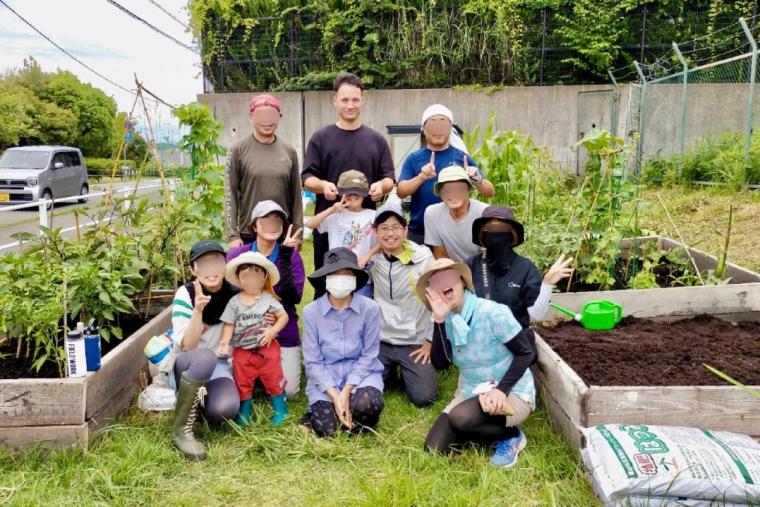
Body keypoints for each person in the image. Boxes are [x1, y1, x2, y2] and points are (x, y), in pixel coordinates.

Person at [418, 259, 536, 468]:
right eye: (436, 284)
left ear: (462, 282)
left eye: (449, 279)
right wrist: (438, 320)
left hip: (510, 389)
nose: (444, 288)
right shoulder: (446, 319)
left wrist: (501, 390)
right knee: (434, 448)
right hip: (472, 389)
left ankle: (511, 435)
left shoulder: (492, 312)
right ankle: (477, 428)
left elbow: (526, 353)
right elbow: (441, 364)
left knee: (460, 418)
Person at [301, 72, 396, 291]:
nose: (350, 105)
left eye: (355, 99)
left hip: (366, 229)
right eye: (344, 100)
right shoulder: (321, 138)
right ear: (334, 100)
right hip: (329, 226)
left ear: (362, 100)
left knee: (365, 287)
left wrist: (381, 186)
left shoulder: (376, 140)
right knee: (327, 286)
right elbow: (307, 178)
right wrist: (323, 185)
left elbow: (390, 178)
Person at [165, 240, 241, 460]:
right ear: (193, 269)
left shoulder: (234, 294)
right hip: (188, 362)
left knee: (225, 410)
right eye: (203, 264)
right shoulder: (186, 294)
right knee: (205, 356)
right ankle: (181, 431)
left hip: (219, 365)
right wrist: (198, 310)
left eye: (216, 262)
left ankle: (198, 404)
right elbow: (187, 345)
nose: (211, 269)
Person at [300, 247, 385, 437]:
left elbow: (369, 355)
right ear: (325, 278)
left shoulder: (370, 308)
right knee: (327, 431)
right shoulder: (311, 312)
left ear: (355, 277)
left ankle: (345, 412)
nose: (340, 278)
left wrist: (346, 391)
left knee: (366, 406)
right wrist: (335, 395)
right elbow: (313, 361)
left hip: (362, 375)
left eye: (346, 273)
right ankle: (318, 413)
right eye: (334, 273)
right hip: (326, 376)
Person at [227, 200, 305, 399]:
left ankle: (265, 375)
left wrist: (286, 259)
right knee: (235, 383)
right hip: (245, 330)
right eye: (266, 220)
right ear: (254, 225)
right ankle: (258, 374)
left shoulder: (291, 257)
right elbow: (228, 293)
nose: (272, 225)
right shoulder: (238, 255)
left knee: (290, 391)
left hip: (282, 331)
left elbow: (294, 297)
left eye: (277, 221)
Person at [368, 201, 437, 407]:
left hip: (414, 341)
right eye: (384, 228)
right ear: (375, 232)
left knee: (424, 398)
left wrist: (430, 341)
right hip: (382, 340)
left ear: (406, 229)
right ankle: (388, 373)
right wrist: (370, 252)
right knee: (368, 389)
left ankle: (406, 371)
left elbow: (438, 299)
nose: (390, 233)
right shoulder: (374, 261)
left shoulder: (423, 258)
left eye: (396, 227)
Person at [397, 104, 494, 244]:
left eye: (443, 124)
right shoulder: (414, 158)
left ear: (451, 128)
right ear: (423, 129)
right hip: (419, 232)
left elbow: (490, 192)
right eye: (432, 125)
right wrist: (421, 177)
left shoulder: (462, 157)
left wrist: (477, 179)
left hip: (453, 233)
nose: (438, 130)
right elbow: (401, 191)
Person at [466, 205, 574, 329]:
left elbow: (536, 314)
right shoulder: (470, 266)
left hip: (515, 340)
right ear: (482, 234)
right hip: (480, 339)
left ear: (512, 234)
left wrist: (547, 284)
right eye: (490, 228)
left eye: (502, 228)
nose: (496, 233)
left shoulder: (525, 268)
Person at [218, 252, 289, 426]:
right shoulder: (234, 302)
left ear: (264, 278)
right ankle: (244, 412)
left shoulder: (268, 299)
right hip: (243, 351)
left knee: (273, 378)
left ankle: (280, 409)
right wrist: (224, 342)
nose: (251, 281)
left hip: (267, 349)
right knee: (242, 380)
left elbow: (283, 316)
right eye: (246, 277)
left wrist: (273, 331)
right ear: (239, 279)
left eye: (256, 277)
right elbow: (229, 324)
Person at [225, 93, 303, 247]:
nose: (266, 121)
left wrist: (297, 233)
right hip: (249, 234)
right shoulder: (238, 150)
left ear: (279, 117)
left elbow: (296, 196)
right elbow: (230, 194)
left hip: (281, 232)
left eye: (271, 116)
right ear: (251, 116)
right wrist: (232, 235)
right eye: (261, 115)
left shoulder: (289, 151)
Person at [306, 169, 376, 297]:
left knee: (361, 310)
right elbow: (310, 224)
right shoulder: (335, 216)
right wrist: (331, 210)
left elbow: (383, 241)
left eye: (357, 192)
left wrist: (368, 255)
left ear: (365, 194)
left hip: (362, 275)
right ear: (340, 194)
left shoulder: (373, 216)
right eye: (348, 192)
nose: (353, 196)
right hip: (336, 275)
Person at [423, 165, 488, 262]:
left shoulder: (484, 212)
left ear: (468, 190)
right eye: (448, 189)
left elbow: (489, 254)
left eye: (459, 189)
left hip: (482, 268)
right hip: (453, 269)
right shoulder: (432, 213)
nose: (454, 193)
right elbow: (440, 254)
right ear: (441, 192)